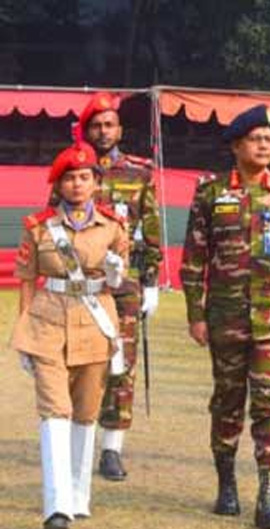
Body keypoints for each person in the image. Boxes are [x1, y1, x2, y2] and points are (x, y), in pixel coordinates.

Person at [180, 104, 270, 529]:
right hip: (226, 318)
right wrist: (196, 316)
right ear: (236, 146)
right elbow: (194, 260)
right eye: (255, 139)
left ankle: (268, 497)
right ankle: (226, 485)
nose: (264, 146)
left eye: (269, 140)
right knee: (228, 402)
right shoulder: (211, 193)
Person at [11, 133, 128, 529]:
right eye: (69, 178)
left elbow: (118, 278)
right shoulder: (38, 227)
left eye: (84, 176)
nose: (77, 184)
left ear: (96, 181)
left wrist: (116, 271)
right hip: (48, 321)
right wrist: (23, 331)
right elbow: (26, 279)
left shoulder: (113, 226)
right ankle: (56, 504)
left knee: (85, 412)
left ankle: (78, 498)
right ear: (57, 185)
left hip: (95, 322)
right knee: (54, 411)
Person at [74, 92, 162, 482]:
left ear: (120, 129)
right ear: (86, 130)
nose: (103, 131)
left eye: (109, 124)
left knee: (120, 366)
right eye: (96, 124)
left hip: (124, 286)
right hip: (80, 287)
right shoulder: (71, 172)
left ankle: (112, 449)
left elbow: (153, 230)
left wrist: (153, 282)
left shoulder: (139, 173)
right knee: (81, 365)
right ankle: (82, 438)